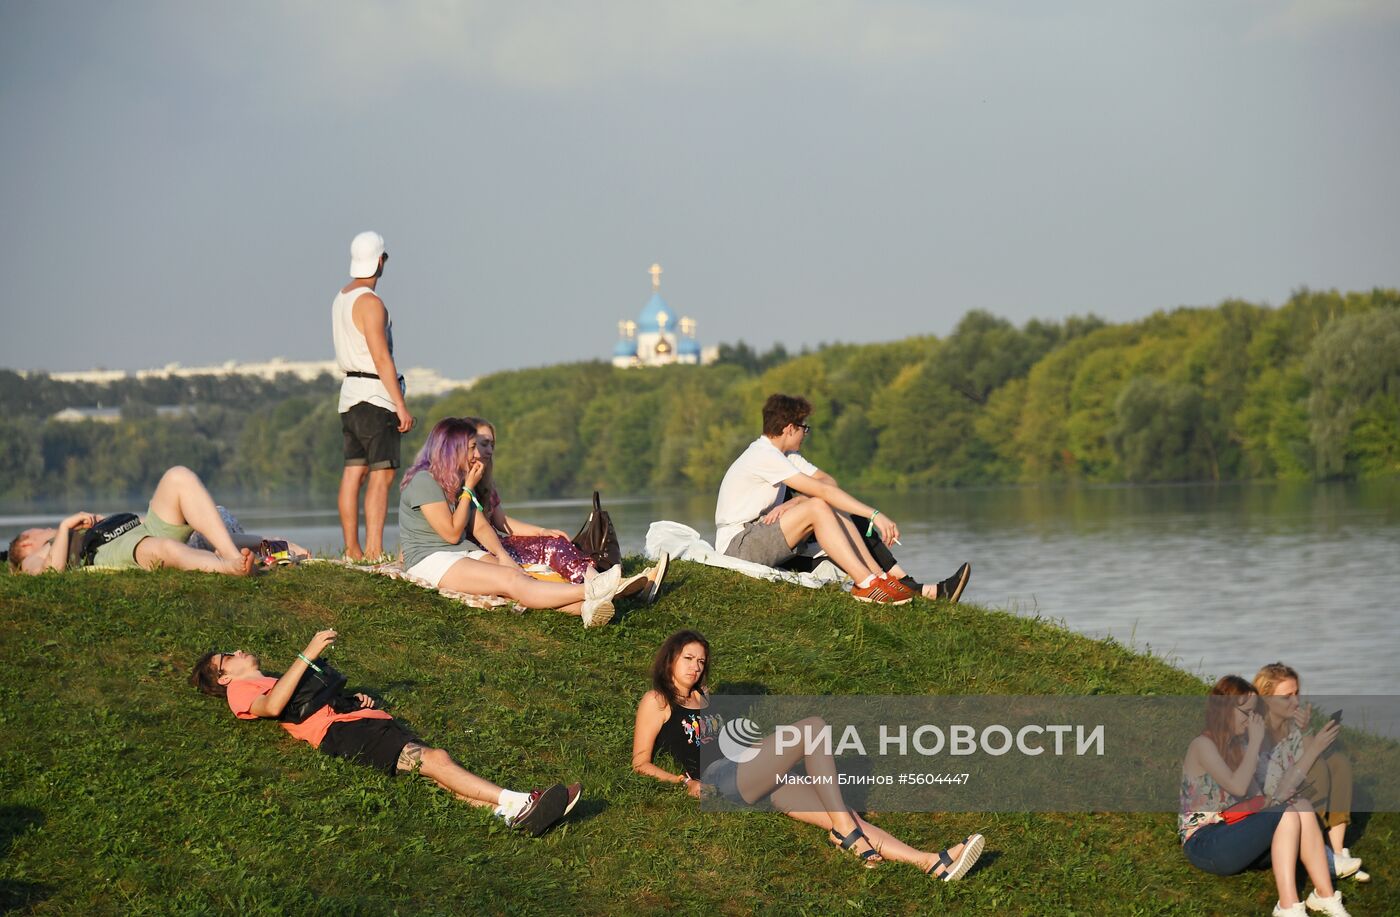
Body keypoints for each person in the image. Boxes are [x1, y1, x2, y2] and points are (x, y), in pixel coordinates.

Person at [630, 629, 986, 880]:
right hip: (720, 778)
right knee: (812, 727)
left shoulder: (704, 695)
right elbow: (640, 763)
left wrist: (773, 752)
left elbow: (726, 743)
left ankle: (930, 863)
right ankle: (845, 834)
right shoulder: (658, 700)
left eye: (701, 661)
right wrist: (682, 781)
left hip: (746, 770)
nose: (695, 666)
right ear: (670, 659)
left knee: (839, 812)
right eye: (688, 658)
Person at [190, 629, 579, 836]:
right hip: (342, 734)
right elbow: (273, 707)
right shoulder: (241, 691)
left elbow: (299, 700)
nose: (239, 651)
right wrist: (307, 654)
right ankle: (523, 800)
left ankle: (512, 816)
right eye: (229, 657)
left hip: (354, 723)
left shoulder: (270, 678)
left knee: (437, 773)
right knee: (435, 759)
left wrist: (349, 699)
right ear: (224, 677)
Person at [398, 417, 665, 627]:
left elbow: (479, 526)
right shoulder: (426, 481)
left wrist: (503, 555)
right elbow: (451, 533)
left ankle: (595, 603)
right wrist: (469, 488)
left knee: (519, 575)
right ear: (452, 449)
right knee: (511, 582)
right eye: (469, 448)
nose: (474, 455)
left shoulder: (455, 481)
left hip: (461, 552)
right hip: (432, 558)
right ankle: (599, 589)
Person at [714, 393, 969, 605]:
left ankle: (880, 580)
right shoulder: (763, 455)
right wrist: (875, 515)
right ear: (789, 428)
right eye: (804, 428)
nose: (806, 433)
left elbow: (828, 484)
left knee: (827, 504)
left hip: (760, 533)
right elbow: (822, 493)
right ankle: (867, 584)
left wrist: (796, 501)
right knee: (818, 506)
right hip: (738, 545)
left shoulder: (785, 456)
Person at [1179, 676, 1349, 917]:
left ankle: (1325, 895)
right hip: (1205, 842)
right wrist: (1256, 742)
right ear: (1226, 709)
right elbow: (1237, 787)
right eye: (1246, 713)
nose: (1252, 721)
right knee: (1287, 815)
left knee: (1300, 805)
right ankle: (1288, 907)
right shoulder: (1203, 745)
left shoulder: (1240, 748)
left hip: (1238, 831)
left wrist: (1312, 748)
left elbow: (1260, 800)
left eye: (1254, 713)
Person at [460, 417, 667, 596]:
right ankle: (616, 586)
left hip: (497, 542)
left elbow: (501, 521)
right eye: (482, 444)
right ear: (466, 445)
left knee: (554, 540)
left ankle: (614, 584)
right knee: (553, 548)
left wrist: (542, 531)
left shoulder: (485, 481)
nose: (488, 450)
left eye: (491, 445)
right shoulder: (461, 481)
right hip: (481, 551)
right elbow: (477, 528)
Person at [6, 465, 292, 576]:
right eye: (39, 530)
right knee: (165, 550)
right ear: (27, 542)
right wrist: (66, 527)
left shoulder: (67, 536)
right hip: (118, 551)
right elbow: (50, 574)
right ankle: (232, 566)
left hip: (142, 528)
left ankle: (268, 553)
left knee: (178, 476)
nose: (47, 529)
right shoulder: (34, 555)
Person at [333, 230, 415, 562]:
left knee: (354, 472)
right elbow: (382, 357)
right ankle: (373, 551)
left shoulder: (341, 297)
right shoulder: (371, 303)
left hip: (349, 396)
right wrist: (400, 404)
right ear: (381, 261)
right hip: (374, 397)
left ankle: (352, 549)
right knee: (382, 474)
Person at [1254, 662, 1368, 883]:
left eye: (1297, 694)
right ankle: (1320, 851)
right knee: (1318, 767)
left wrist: (1305, 731)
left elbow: (1307, 753)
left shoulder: (1290, 723)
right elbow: (1273, 780)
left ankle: (1336, 852)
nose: (1295, 701)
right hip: (1273, 798)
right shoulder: (1258, 728)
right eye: (1287, 696)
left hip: (1293, 785)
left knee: (1338, 763)